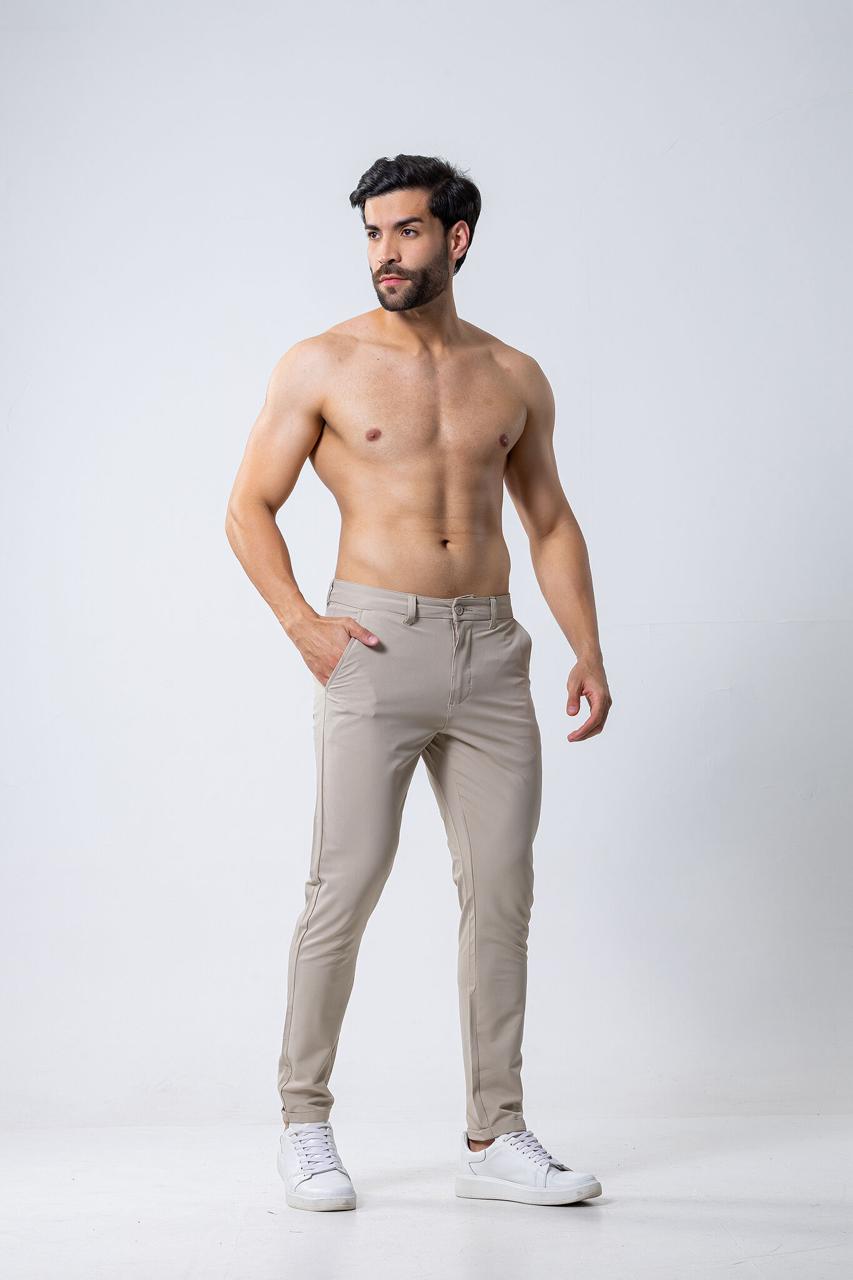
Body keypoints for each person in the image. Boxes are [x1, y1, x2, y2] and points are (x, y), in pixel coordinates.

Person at [224, 153, 612, 1212]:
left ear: (456, 237)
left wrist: (585, 645)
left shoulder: (513, 374)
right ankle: (304, 1122)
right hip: (374, 644)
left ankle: (495, 1133)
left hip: (491, 650)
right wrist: (305, 626)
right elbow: (247, 506)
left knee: (501, 892)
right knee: (343, 884)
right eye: (371, 234)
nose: (383, 253)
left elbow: (548, 519)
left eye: (404, 231)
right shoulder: (322, 363)